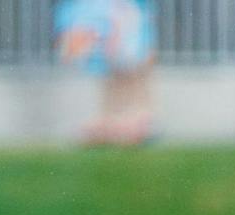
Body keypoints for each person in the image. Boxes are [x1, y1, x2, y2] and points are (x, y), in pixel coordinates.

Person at [54, 0, 158, 145]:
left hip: (129, 37)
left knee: (130, 79)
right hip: (122, 39)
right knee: (117, 80)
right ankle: (118, 123)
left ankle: (133, 121)